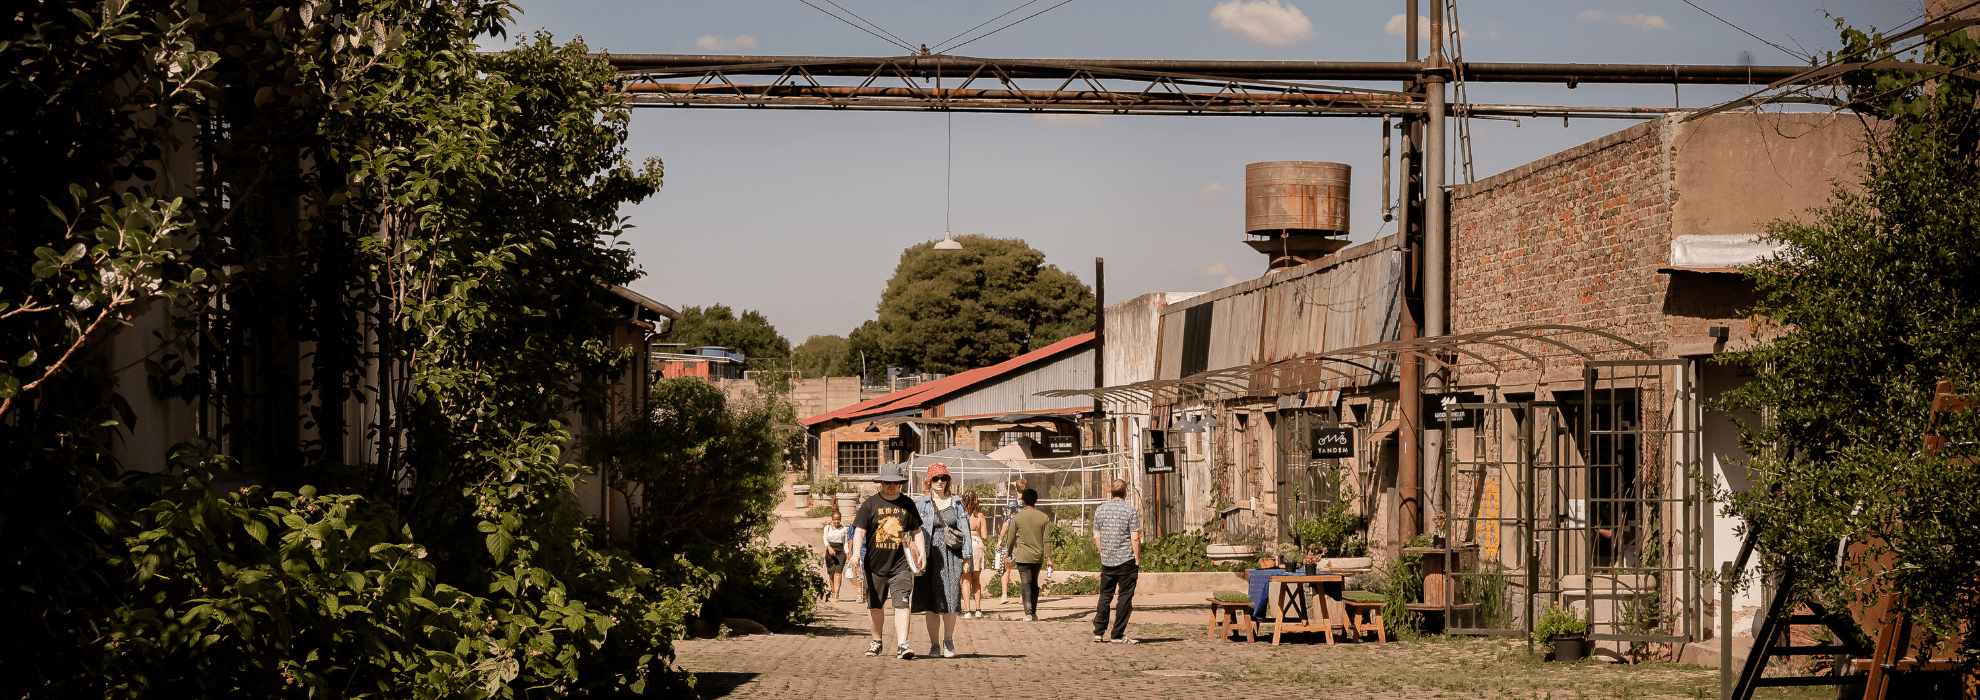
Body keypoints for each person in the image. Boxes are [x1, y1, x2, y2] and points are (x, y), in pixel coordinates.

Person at [850, 463, 926, 659]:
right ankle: (876, 641)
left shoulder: (908, 504)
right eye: (887, 482)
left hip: (900, 565)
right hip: (874, 566)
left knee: (902, 603)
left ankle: (902, 644)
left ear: (900, 483)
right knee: (875, 606)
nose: (891, 486)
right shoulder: (870, 504)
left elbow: (917, 531)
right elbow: (859, 530)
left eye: (894, 482)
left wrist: (922, 552)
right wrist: (856, 553)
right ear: (881, 483)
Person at [911, 463, 970, 658]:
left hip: (951, 557)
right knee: (931, 602)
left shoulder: (956, 502)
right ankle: (934, 644)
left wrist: (967, 557)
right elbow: (912, 528)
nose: (939, 482)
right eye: (935, 479)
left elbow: (965, 530)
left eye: (943, 478)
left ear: (948, 481)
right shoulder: (921, 503)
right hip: (929, 556)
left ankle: (949, 641)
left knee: (951, 600)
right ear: (928, 481)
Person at [1090, 478, 1142, 644]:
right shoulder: (1130, 511)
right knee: (1124, 597)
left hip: (1107, 560)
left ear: (1110, 491)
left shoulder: (1100, 510)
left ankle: (1098, 632)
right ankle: (1117, 634)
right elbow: (1135, 538)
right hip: (1126, 560)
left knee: (1105, 596)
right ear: (1126, 492)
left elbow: (1096, 536)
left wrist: (1102, 552)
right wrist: (1137, 558)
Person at [997, 488, 1052, 621]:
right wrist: (1049, 558)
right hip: (1037, 557)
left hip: (1022, 556)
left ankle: (1028, 613)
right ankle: (1033, 612)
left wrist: (1008, 554)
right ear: (1036, 501)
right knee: (1034, 583)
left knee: (1026, 583)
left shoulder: (1017, 517)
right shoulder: (1044, 517)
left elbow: (1010, 540)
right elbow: (1047, 540)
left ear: (1023, 501)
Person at [997, 477, 1028, 608]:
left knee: (1006, 567)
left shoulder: (1012, 505)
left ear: (1016, 489)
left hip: (1012, 541)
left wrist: (1000, 539)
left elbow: (1006, 523)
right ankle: (1023, 595)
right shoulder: (1029, 505)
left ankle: (1004, 594)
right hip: (1025, 541)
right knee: (1024, 569)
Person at [961, 491, 988, 618]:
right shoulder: (980, 516)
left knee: (965, 579)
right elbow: (985, 536)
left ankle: (967, 611)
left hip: (964, 546)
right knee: (976, 580)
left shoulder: (961, 515)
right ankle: (978, 609)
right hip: (977, 546)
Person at [822, 510, 850, 602]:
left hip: (840, 552)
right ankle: (833, 591)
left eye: (838, 519)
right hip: (830, 551)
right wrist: (829, 547)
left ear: (840, 519)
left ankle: (836, 594)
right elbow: (825, 539)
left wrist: (847, 553)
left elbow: (846, 542)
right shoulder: (827, 528)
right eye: (835, 519)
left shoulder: (844, 529)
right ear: (832, 519)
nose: (837, 521)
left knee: (838, 573)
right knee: (831, 573)